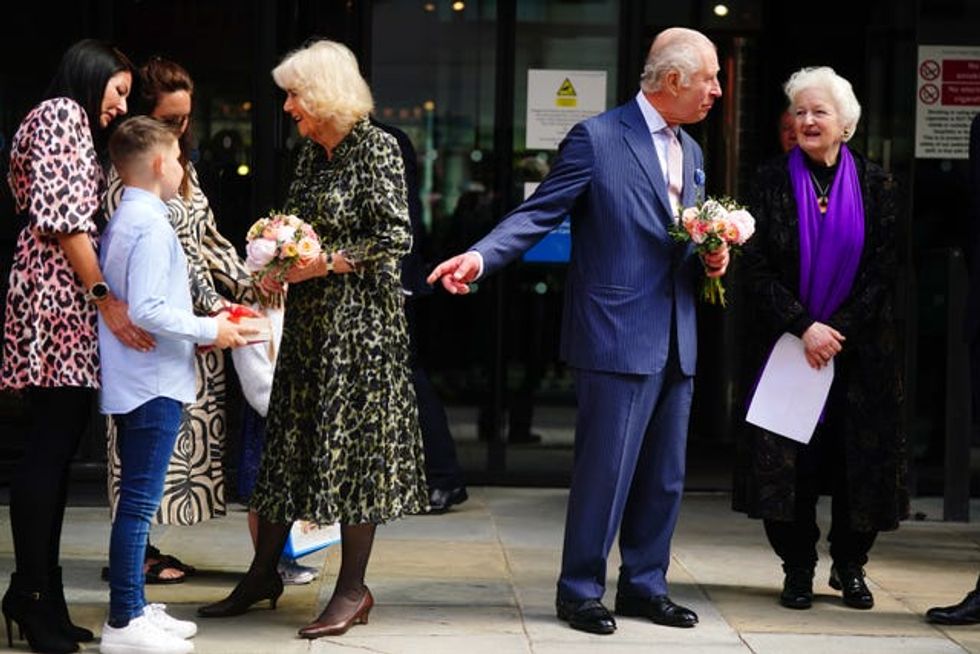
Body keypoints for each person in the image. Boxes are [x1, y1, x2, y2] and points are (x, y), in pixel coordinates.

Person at [427, 27, 726, 635]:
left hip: (678, 334)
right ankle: (579, 590)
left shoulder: (692, 153)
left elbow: (681, 241)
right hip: (616, 334)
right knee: (605, 471)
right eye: (710, 78)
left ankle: (645, 585)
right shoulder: (597, 138)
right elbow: (539, 212)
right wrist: (480, 257)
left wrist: (715, 256)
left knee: (664, 475)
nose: (718, 91)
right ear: (673, 81)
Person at [197, 39, 428, 639]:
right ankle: (262, 574)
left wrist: (323, 263)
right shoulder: (311, 156)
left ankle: (353, 589)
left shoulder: (377, 148)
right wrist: (273, 261)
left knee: (353, 457)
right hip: (308, 326)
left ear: (324, 92)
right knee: (288, 448)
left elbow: (394, 239)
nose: (289, 107)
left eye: (295, 94)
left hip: (361, 333)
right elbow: (296, 230)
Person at [732, 66, 907, 611]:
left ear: (845, 124)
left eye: (819, 112)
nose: (807, 121)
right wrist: (804, 326)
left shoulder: (879, 185)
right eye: (800, 112)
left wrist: (839, 331)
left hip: (859, 356)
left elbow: (885, 271)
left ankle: (851, 567)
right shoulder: (766, 182)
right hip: (788, 347)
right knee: (792, 464)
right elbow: (754, 268)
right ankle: (798, 569)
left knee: (858, 463)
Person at [0, 39, 148, 654]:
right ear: (91, 79)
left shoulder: (59, 117)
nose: (118, 107)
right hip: (58, 300)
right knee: (47, 451)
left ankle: (41, 593)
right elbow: (63, 221)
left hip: (60, 296)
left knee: (54, 451)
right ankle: (33, 594)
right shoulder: (62, 112)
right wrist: (105, 298)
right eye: (117, 92)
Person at [103, 56, 266, 584]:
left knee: (166, 458)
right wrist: (209, 318)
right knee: (141, 467)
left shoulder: (180, 170)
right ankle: (133, 580)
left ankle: (137, 576)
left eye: (184, 120)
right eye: (170, 121)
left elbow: (210, 243)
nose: (181, 130)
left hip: (186, 329)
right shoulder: (133, 190)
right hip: (159, 332)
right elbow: (159, 271)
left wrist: (259, 280)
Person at [373, 119, 467, 513]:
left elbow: (402, 220)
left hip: (390, 284)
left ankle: (444, 476)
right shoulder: (323, 145)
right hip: (368, 282)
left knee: (407, 377)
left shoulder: (385, 140)